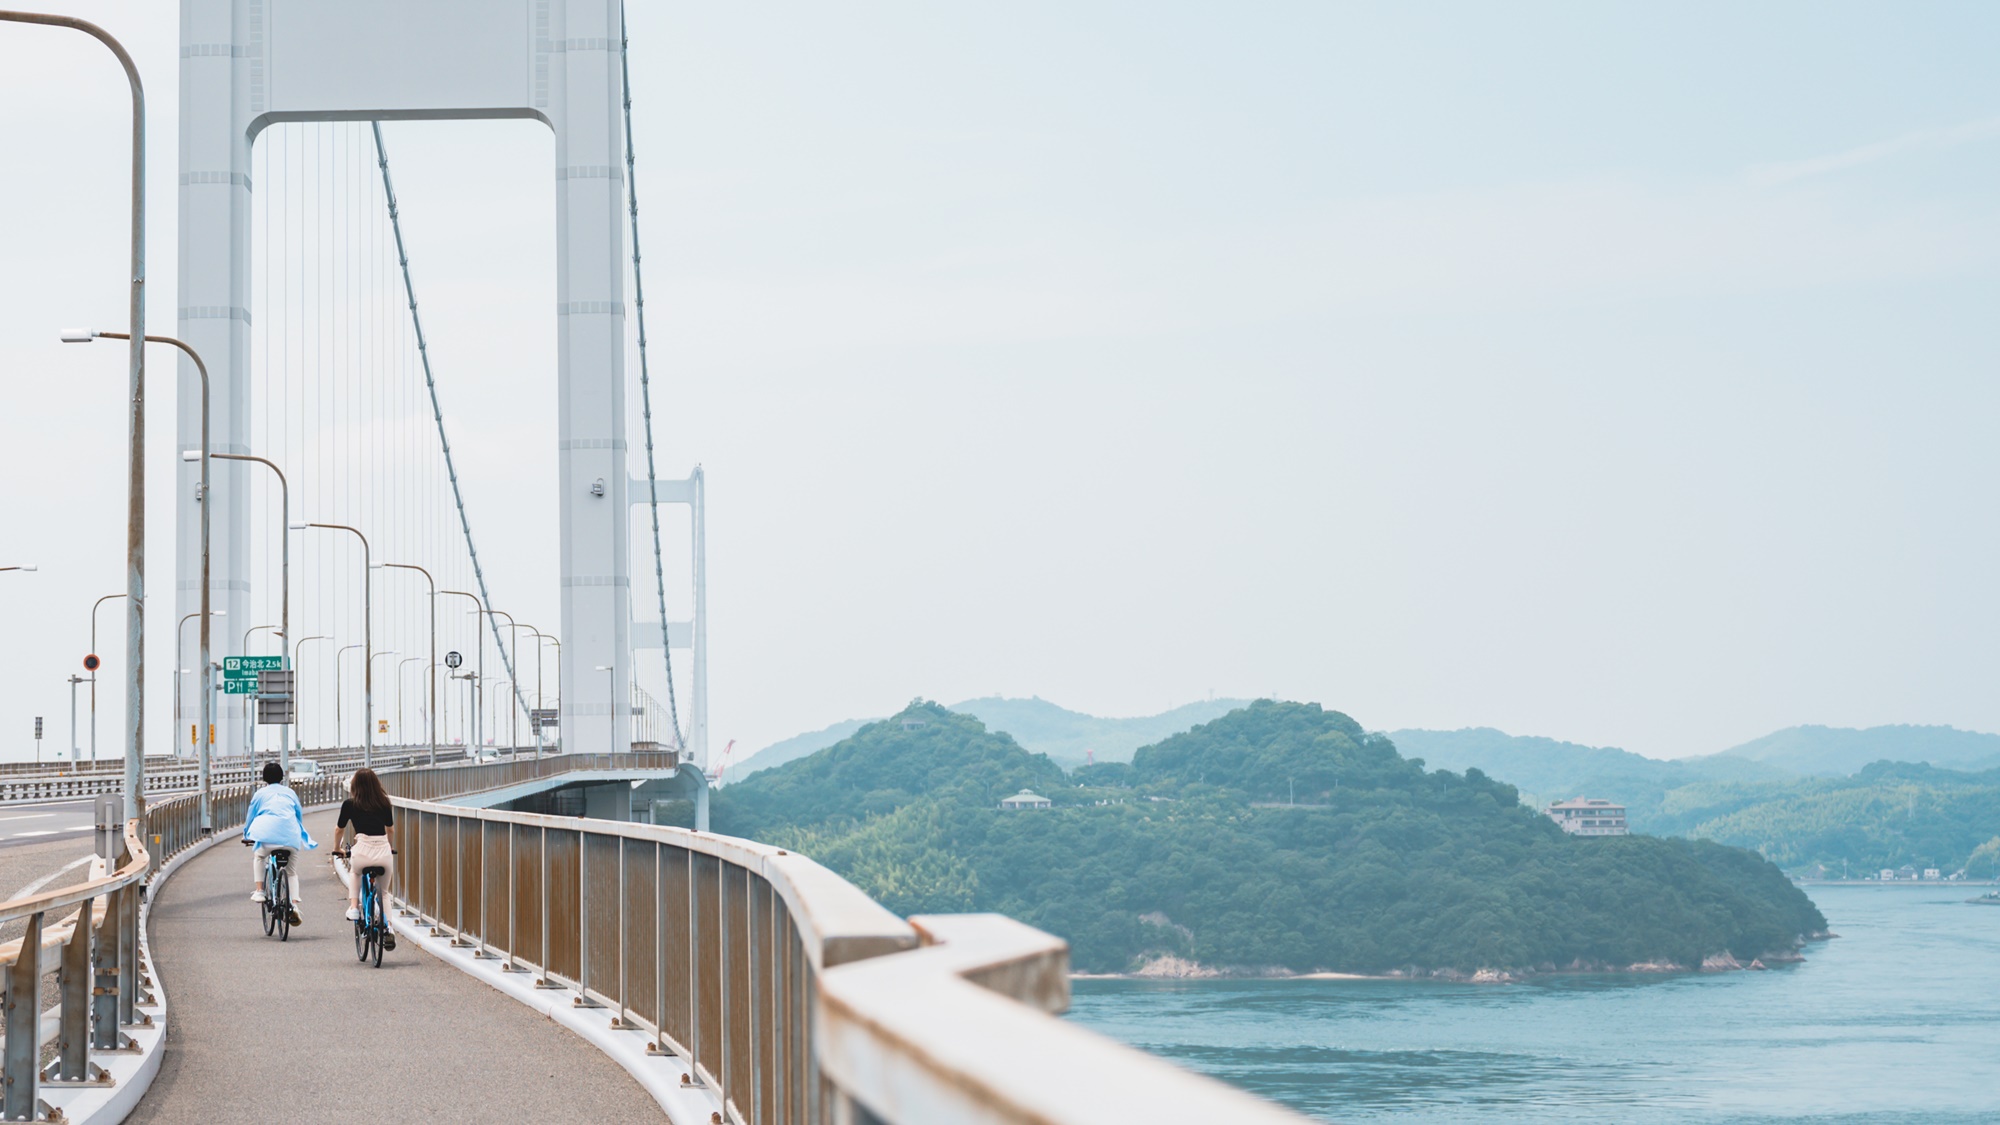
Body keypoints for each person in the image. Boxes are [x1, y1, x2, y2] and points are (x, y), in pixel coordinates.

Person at [242, 761, 315, 926]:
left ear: (264, 778)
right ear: (282, 777)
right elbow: (298, 815)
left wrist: (247, 835)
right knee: (291, 872)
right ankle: (294, 905)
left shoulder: (260, 794)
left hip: (267, 837)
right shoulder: (290, 793)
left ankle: (260, 890)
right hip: (291, 837)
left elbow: (250, 817)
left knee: (259, 856)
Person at [330, 767, 396, 946]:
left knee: (355, 872)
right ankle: (388, 927)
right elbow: (390, 829)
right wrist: (389, 848)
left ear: (354, 786)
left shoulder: (350, 805)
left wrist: (337, 848)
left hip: (362, 851)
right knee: (383, 893)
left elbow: (339, 829)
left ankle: (353, 908)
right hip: (383, 850)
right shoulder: (384, 803)